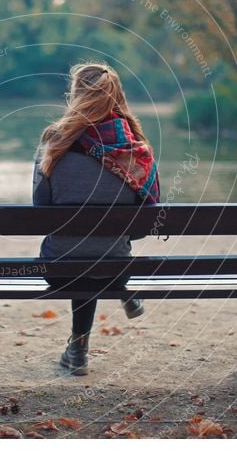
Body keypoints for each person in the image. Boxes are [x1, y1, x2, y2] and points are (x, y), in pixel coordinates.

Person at [32, 62, 160, 375]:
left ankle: (77, 351)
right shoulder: (136, 149)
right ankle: (119, 294)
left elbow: (40, 209)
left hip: (59, 269)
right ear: (117, 97)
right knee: (99, 257)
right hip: (115, 269)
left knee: (79, 254)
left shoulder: (55, 142)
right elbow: (148, 219)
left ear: (75, 95)